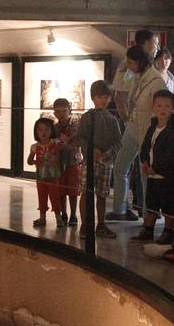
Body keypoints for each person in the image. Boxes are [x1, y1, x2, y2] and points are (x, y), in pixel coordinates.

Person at [108, 45, 166, 222]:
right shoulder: (138, 77)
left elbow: (160, 109)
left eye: (131, 62)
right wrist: (121, 68)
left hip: (148, 130)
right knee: (120, 166)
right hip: (133, 127)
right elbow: (119, 87)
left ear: (140, 61)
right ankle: (120, 209)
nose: (129, 65)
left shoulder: (156, 81)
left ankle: (149, 217)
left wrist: (155, 134)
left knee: (145, 175)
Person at [138, 90, 174, 244]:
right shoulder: (152, 127)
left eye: (167, 106)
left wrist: (156, 168)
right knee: (151, 202)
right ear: (153, 107)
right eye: (159, 105)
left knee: (167, 205)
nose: (162, 109)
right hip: (152, 174)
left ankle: (168, 230)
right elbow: (145, 146)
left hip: (166, 175)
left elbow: (171, 155)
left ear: (173, 108)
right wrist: (144, 160)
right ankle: (148, 229)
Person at [79, 80, 123, 238]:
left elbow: (119, 141)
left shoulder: (112, 119)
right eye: (99, 97)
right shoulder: (86, 117)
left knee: (102, 194)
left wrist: (108, 153)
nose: (103, 100)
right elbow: (81, 138)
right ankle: (84, 225)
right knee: (85, 192)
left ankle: (101, 225)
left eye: (106, 97)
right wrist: (91, 151)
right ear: (93, 98)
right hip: (89, 162)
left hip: (106, 162)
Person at [28, 117, 65, 229]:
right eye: (40, 130)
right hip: (41, 176)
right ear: (36, 131)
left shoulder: (55, 143)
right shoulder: (34, 147)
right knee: (42, 196)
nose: (43, 132)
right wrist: (36, 161)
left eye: (46, 130)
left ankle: (59, 218)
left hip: (53, 176)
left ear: (51, 131)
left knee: (55, 197)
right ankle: (42, 217)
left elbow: (62, 150)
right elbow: (29, 161)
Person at [53, 98, 82, 226]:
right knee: (60, 190)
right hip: (58, 162)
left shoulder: (76, 125)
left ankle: (73, 214)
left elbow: (77, 141)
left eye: (63, 111)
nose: (61, 114)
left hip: (72, 161)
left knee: (73, 190)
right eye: (57, 111)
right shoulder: (54, 128)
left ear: (69, 110)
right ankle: (63, 213)